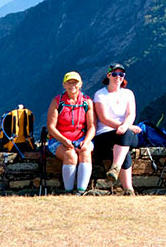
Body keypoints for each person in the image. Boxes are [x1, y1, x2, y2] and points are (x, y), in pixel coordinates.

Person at [93, 63, 141, 195]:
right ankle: (128, 189)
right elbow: (104, 118)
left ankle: (115, 168)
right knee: (123, 147)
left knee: (124, 136)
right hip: (105, 134)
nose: (118, 77)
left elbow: (131, 114)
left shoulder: (128, 93)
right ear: (108, 75)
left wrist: (125, 126)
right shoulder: (100, 95)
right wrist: (125, 126)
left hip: (125, 132)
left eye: (121, 74)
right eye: (114, 74)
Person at [46, 71, 95, 193]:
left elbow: (92, 126)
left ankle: (80, 191)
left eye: (75, 82)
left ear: (81, 84)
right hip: (58, 140)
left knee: (85, 151)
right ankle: (69, 190)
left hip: (81, 139)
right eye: (69, 82)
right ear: (64, 85)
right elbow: (51, 127)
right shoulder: (57, 102)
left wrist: (86, 141)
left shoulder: (87, 102)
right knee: (70, 155)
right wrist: (64, 141)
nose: (72, 85)